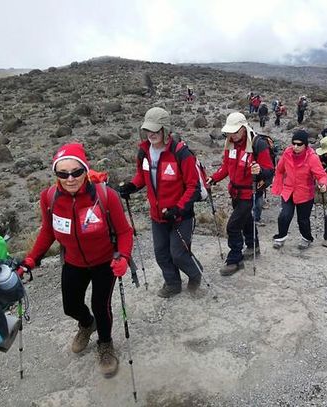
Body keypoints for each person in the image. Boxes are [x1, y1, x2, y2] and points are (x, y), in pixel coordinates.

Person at [20, 142, 133, 378]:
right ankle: (86, 324)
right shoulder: (49, 198)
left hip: (105, 262)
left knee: (101, 306)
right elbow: (48, 232)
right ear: (56, 175)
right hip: (73, 262)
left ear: (85, 170)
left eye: (76, 172)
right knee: (70, 306)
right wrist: (31, 259)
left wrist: (123, 257)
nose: (70, 178)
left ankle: (105, 344)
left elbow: (124, 232)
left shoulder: (106, 196)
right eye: (62, 173)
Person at [119, 107, 204, 298]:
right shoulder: (144, 152)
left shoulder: (181, 153)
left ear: (166, 129)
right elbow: (142, 176)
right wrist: (132, 186)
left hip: (180, 215)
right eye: (148, 130)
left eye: (156, 130)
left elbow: (193, 187)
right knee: (161, 253)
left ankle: (195, 274)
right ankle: (173, 284)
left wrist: (178, 209)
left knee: (178, 253)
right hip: (157, 215)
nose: (151, 134)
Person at [207, 112, 274, 275]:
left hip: (249, 193)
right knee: (245, 220)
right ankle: (253, 245)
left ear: (244, 128)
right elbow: (226, 167)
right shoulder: (230, 143)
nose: (232, 135)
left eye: (235, 132)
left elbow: (270, 170)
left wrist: (259, 170)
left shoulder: (258, 144)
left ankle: (235, 260)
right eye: (229, 132)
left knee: (232, 226)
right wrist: (213, 178)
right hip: (234, 192)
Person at [271, 130, 327, 249]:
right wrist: (278, 184)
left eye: (299, 144)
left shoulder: (312, 158)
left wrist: (323, 184)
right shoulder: (287, 153)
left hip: (305, 194)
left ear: (305, 145)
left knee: (303, 219)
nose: (296, 147)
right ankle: (281, 237)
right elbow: (280, 169)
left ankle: (306, 238)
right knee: (284, 215)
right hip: (288, 191)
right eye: (294, 143)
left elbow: (321, 175)